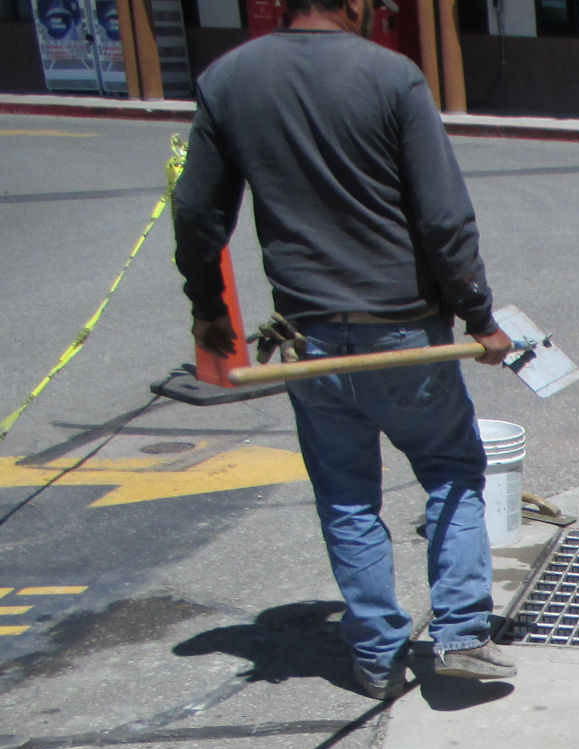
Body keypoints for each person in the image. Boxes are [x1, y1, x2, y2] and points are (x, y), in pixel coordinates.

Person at [172, 0, 515, 700]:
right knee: (451, 468)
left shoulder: (230, 79)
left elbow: (197, 212)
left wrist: (208, 309)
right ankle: (459, 632)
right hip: (404, 328)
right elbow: (444, 218)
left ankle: (377, 656)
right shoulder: (392, 77)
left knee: (347, 496)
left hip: (303, 336)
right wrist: (482, 318)